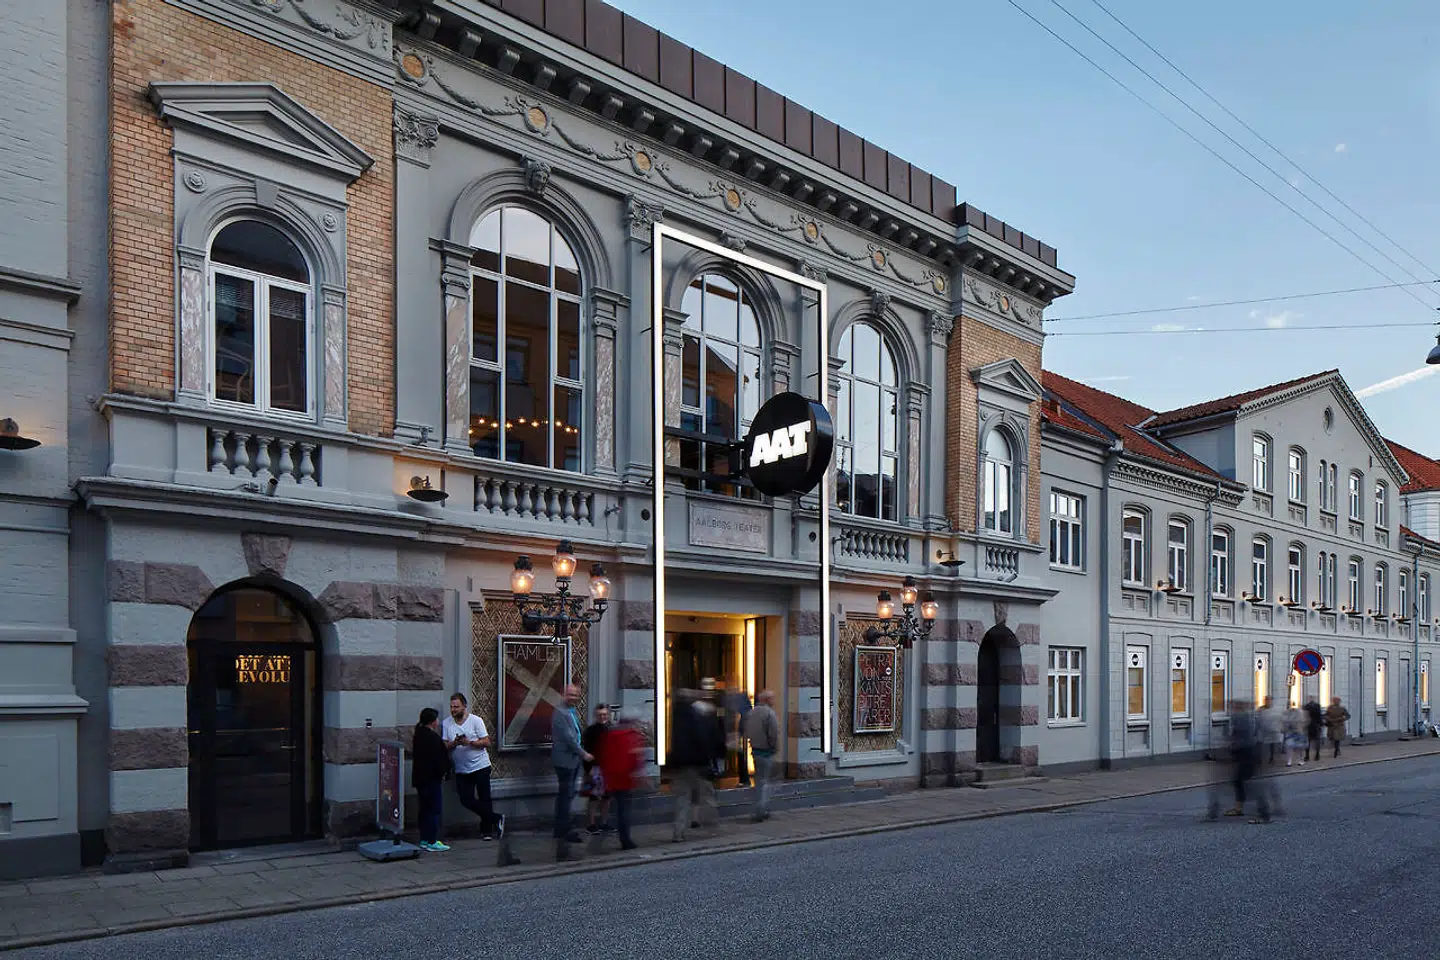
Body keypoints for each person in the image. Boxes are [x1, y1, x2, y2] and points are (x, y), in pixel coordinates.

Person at [442, 692, 503, 840]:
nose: (453, 710)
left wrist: (470, 742)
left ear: (464, 706)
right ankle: (497, 818)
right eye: (451, 707)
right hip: (462, 769)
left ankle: (487, 831)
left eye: (456, 706)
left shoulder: (476, 721)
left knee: (484, 798)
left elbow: (487, 742)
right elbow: (444, 746)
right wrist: (455, 743)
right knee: (466, 799)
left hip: (480, 766)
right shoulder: (446, 723)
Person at [669, 686, 723, 842]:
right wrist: (708, 759)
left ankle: (678, 832)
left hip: (680, 765)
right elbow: (703, 740)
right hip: (697, 764)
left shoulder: (676, 717)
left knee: (683, 798)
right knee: (707, 794)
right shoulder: (695, 718)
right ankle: (711, 825)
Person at [551, 683, 591, 857]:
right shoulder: (560, 712)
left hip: (571, 761)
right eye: (570, 695)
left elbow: (575, 734)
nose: (573, 698)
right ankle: (563, 829)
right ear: (563, 694)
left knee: (566, 795)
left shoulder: (570, 711)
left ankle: (561, 828)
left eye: (575, 695)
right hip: (565, 761)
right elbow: (568, 739)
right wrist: (583, 754)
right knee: (565, 796)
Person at [597, 710, 646, 850]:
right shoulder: (631, 736)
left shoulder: (610, 735)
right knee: (624, 810)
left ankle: (606, 829)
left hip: (612, 777)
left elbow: (604, 756)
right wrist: (639, 774)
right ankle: (625, 839)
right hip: (625, 778)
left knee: (616, 807)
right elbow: (635, 758)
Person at [411, 707, 451, 852]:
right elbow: (438, 760)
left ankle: (424, 839)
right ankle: (432, 840)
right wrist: (444, 771)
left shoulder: (418, 735)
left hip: (420, 779)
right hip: (431, 779)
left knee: (424, 809)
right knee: (434, 809)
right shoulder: (433, 738)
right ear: (433, 722)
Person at [744, 689, 780, 821]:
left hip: (755, 750)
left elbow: (747, 730)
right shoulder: (769, 714)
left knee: (759, 781)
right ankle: (760, 810)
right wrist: (774, 748)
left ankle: (759, 808)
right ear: (766, 700)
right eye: (772, 698)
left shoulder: (751, 713)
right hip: (766, 752)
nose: (774, 701)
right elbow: (773, 734)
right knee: (764, 782)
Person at [581, 704, 612, 835]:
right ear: (596, 716)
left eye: (605, 714)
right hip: (594, 768)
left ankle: (604, 822)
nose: (603, 717)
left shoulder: (611, 729)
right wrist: (588, 770)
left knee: (607, 797)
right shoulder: (590, 731)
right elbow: (586, 751)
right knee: (593, 797)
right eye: (600, 715)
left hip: (608, 768)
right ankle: (591, 824)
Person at [1256, 699, 1281, 765]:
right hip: (1262, 730)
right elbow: (1257, 718)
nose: (1268, 702)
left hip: (1271, 731)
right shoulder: (1261, 709)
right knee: (1260, 745)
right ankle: (1259, 759)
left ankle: (1271, 758)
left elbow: (1277, 719)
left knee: (1271, 746)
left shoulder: (1274, 710)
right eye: (1267, 700)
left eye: (1269, 701)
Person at [1283, 701, 1306, 766]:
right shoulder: (1286, 713)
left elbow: (1302, 721)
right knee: (1289, 746)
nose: (1292, 707)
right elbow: (1284, 721)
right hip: (1290, 732)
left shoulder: (1300, 712)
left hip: (1298, 731)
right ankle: (1289, 761)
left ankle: (1301, 760)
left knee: (1300, 746)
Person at [1304, 698, 1325, 762]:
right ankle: (1317, 755)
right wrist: (1321, 724)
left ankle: (1307, 756)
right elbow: (1319, 716)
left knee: (1308, 741)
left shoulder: (1306, 706)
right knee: (1317, 741)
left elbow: (1305, 716)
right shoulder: (1317, 706)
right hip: (1316, 726)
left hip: (1309, 725)